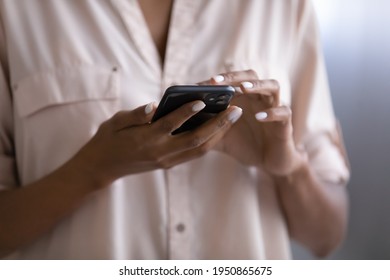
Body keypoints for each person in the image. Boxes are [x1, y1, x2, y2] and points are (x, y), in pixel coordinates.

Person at [0, 0, 350, 259]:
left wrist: (290, 169)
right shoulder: (15, 11)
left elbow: (327, 236)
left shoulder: (282, 7)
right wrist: (92, 170)